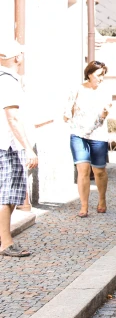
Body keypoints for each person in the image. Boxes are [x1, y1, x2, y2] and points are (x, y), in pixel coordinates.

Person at [0, 41, 38, 257]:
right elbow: (12, 118)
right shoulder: (8, 82)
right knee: (8, 195)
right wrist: (28, 148)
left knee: (11, 194)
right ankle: (6, 243)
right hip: (8, 146)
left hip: (6, 144)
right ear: (17, 57)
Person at [64, 60, 112, 217]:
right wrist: (67, 115)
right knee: (82, 170)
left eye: (103, 75)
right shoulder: (77, 89)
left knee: (99, 171)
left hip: (98, 135)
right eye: (99, 75)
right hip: (78, 135)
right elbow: (67, 109)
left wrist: (105, 113)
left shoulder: (105, 91)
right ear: (90, 74)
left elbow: (104, 114)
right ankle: (84, 206)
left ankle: (102, 199)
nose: (101, 78)